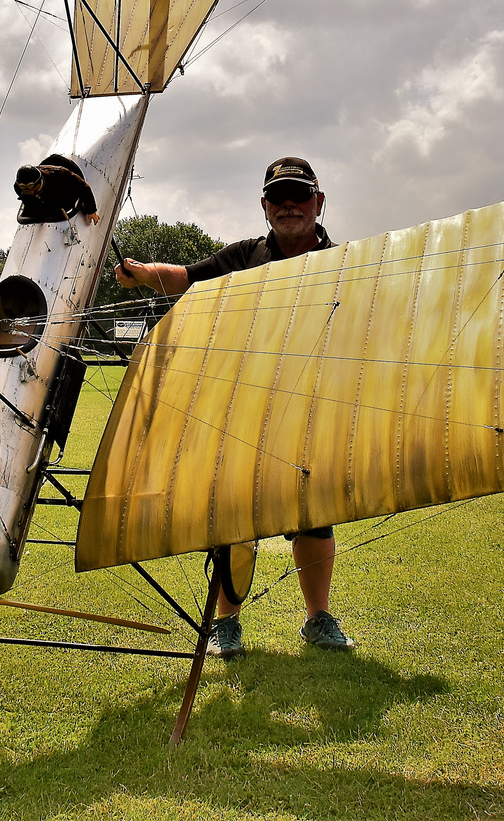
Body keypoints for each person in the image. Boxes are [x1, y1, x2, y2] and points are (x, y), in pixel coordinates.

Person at [114, 156, 356, 657]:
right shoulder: (244, 256)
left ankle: (318, 618)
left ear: (319, 201)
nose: (290, 205)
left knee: (315, 516)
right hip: (246, 411)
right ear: (265, 206)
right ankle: (228, 624)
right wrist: (140, 274)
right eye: (279, 196)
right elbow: (183, 277)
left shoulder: (344, 261)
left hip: (314, 410)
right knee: (234, 514)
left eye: (300, 194)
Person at [15, 153, 100, 225]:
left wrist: (91, 211)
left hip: (62, 191)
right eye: (23, 187)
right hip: (45, 199)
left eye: (30, 186)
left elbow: (83, 187)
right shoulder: (18, 188)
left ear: (39, 181)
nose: (28, 190)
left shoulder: (59, 175)